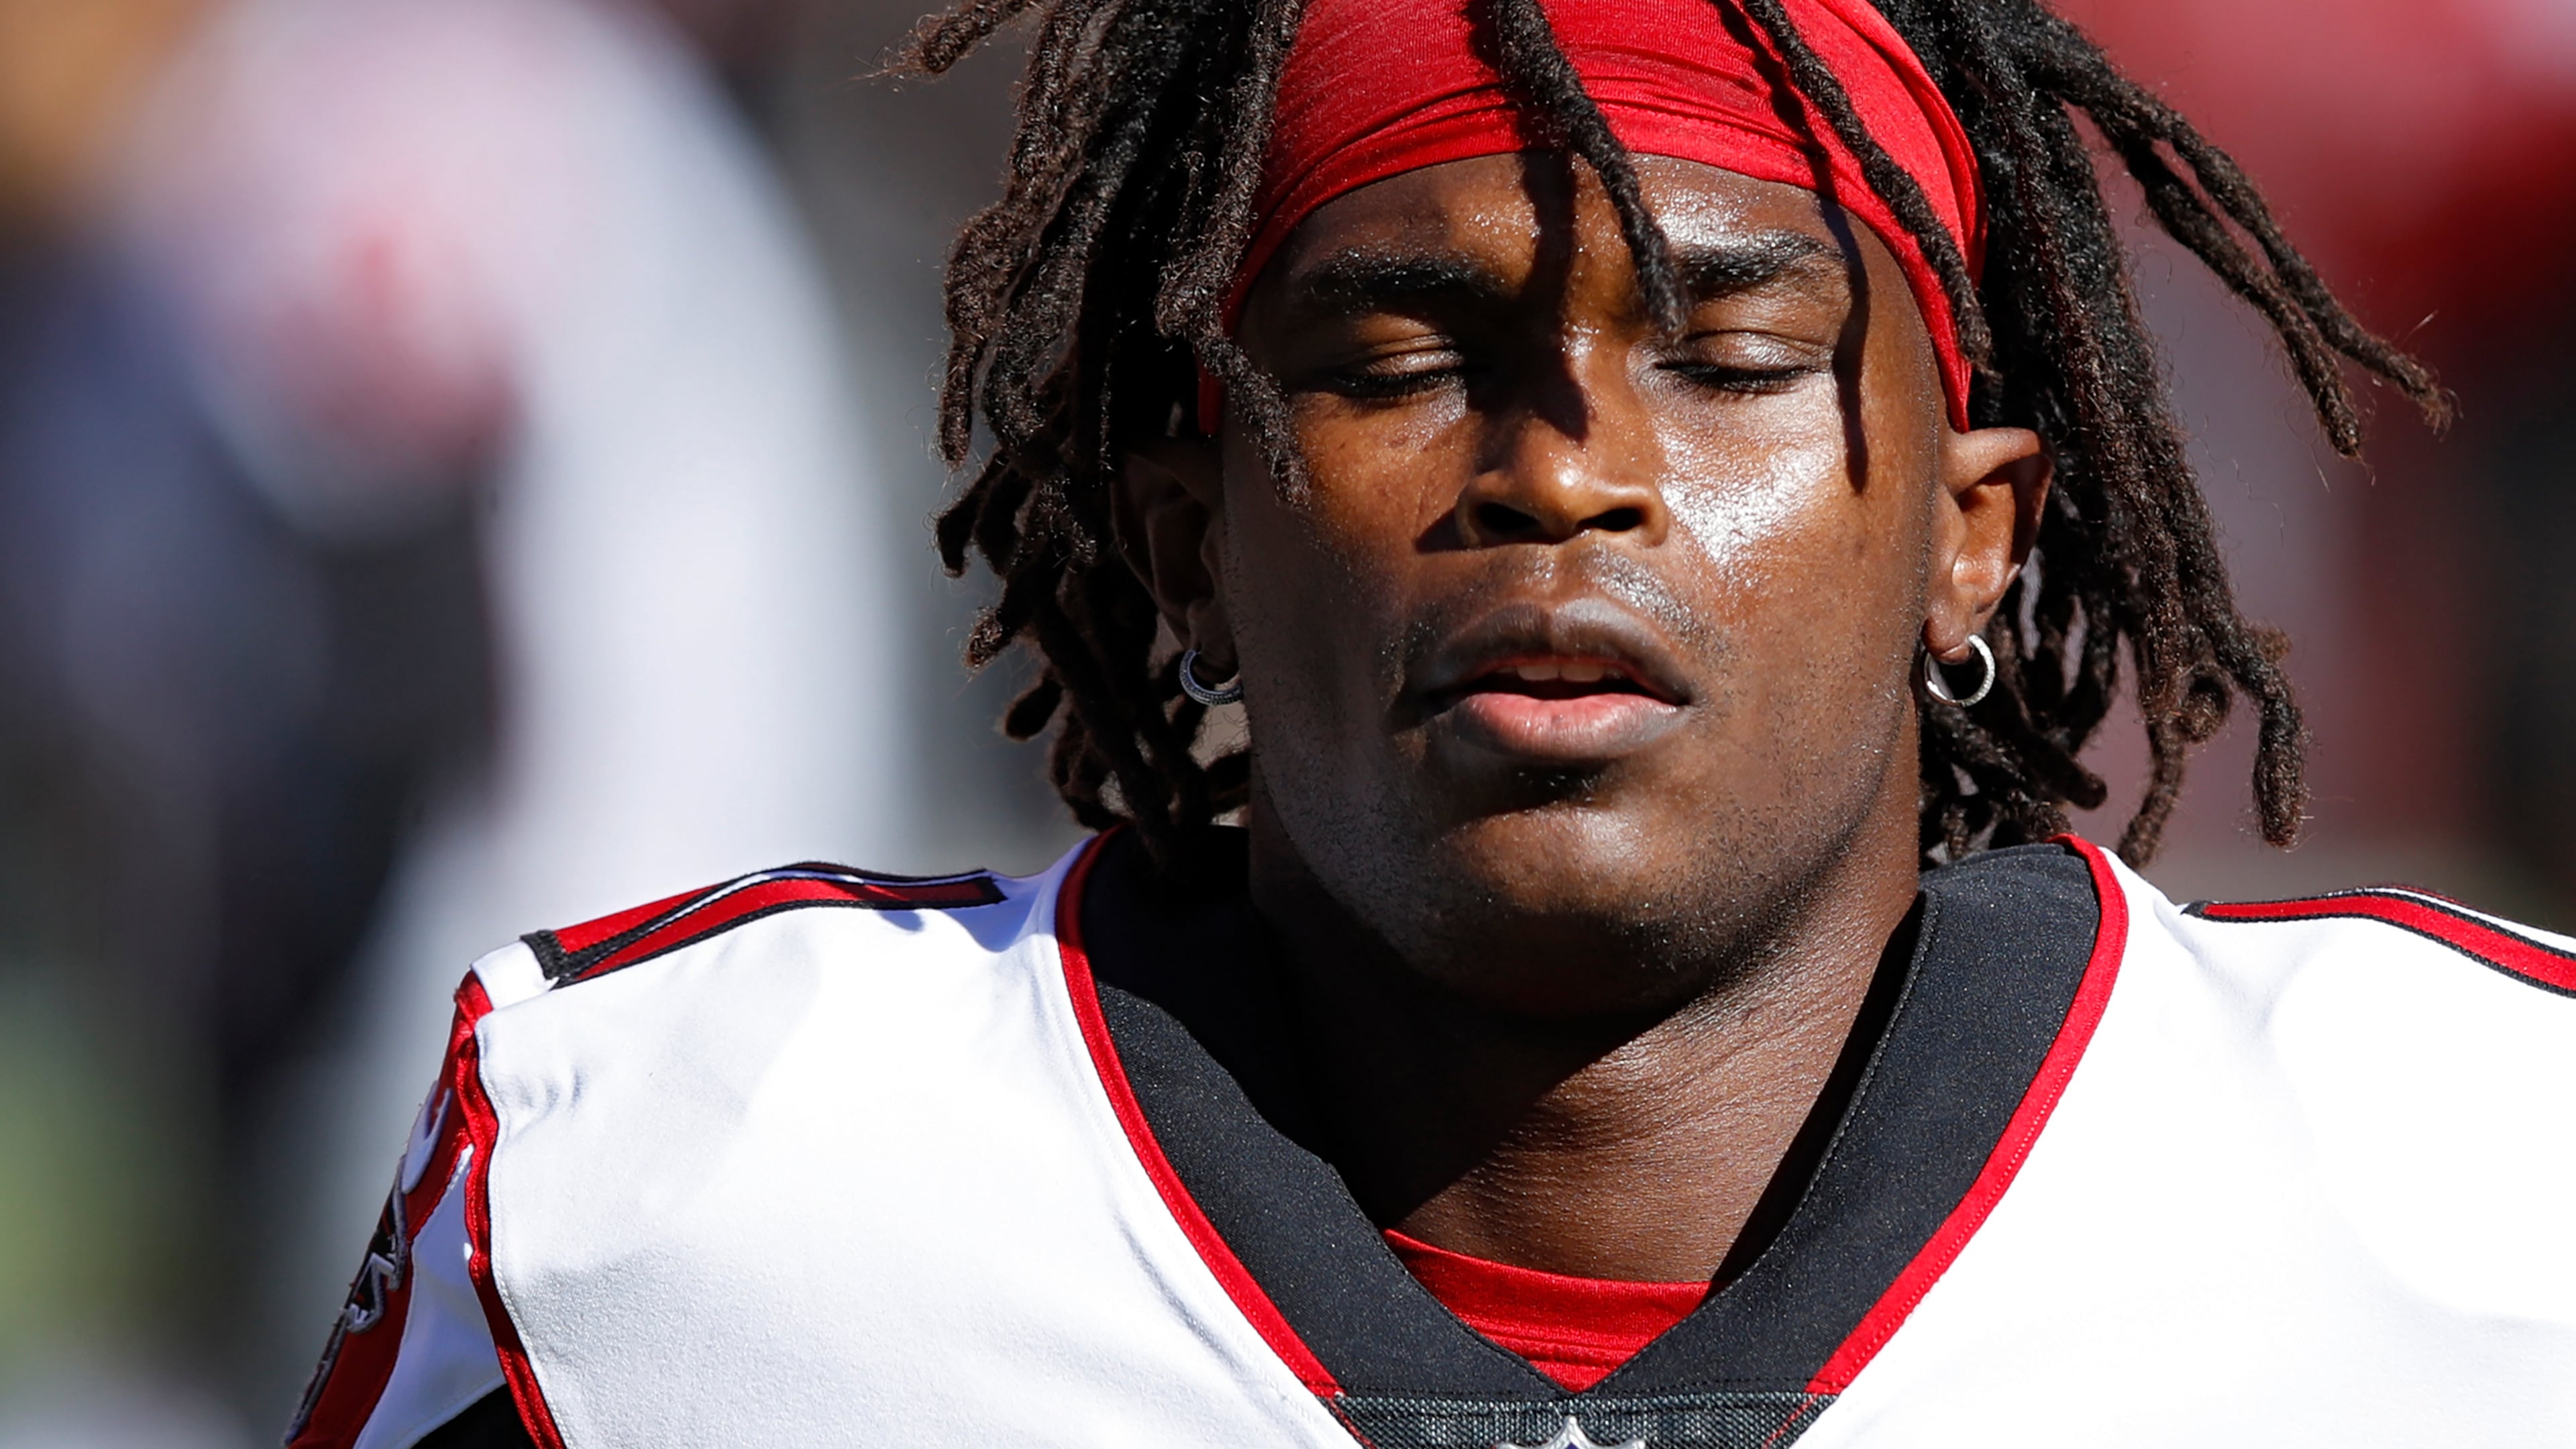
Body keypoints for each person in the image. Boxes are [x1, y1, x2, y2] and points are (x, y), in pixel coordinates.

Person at [284, 0, 2576, 1444]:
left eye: (1733, 358)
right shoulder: (679, 1198)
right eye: (1400, 361)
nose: (1564, 473)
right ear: (1186, 542)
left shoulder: (2478, 1181)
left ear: (1975, 537)